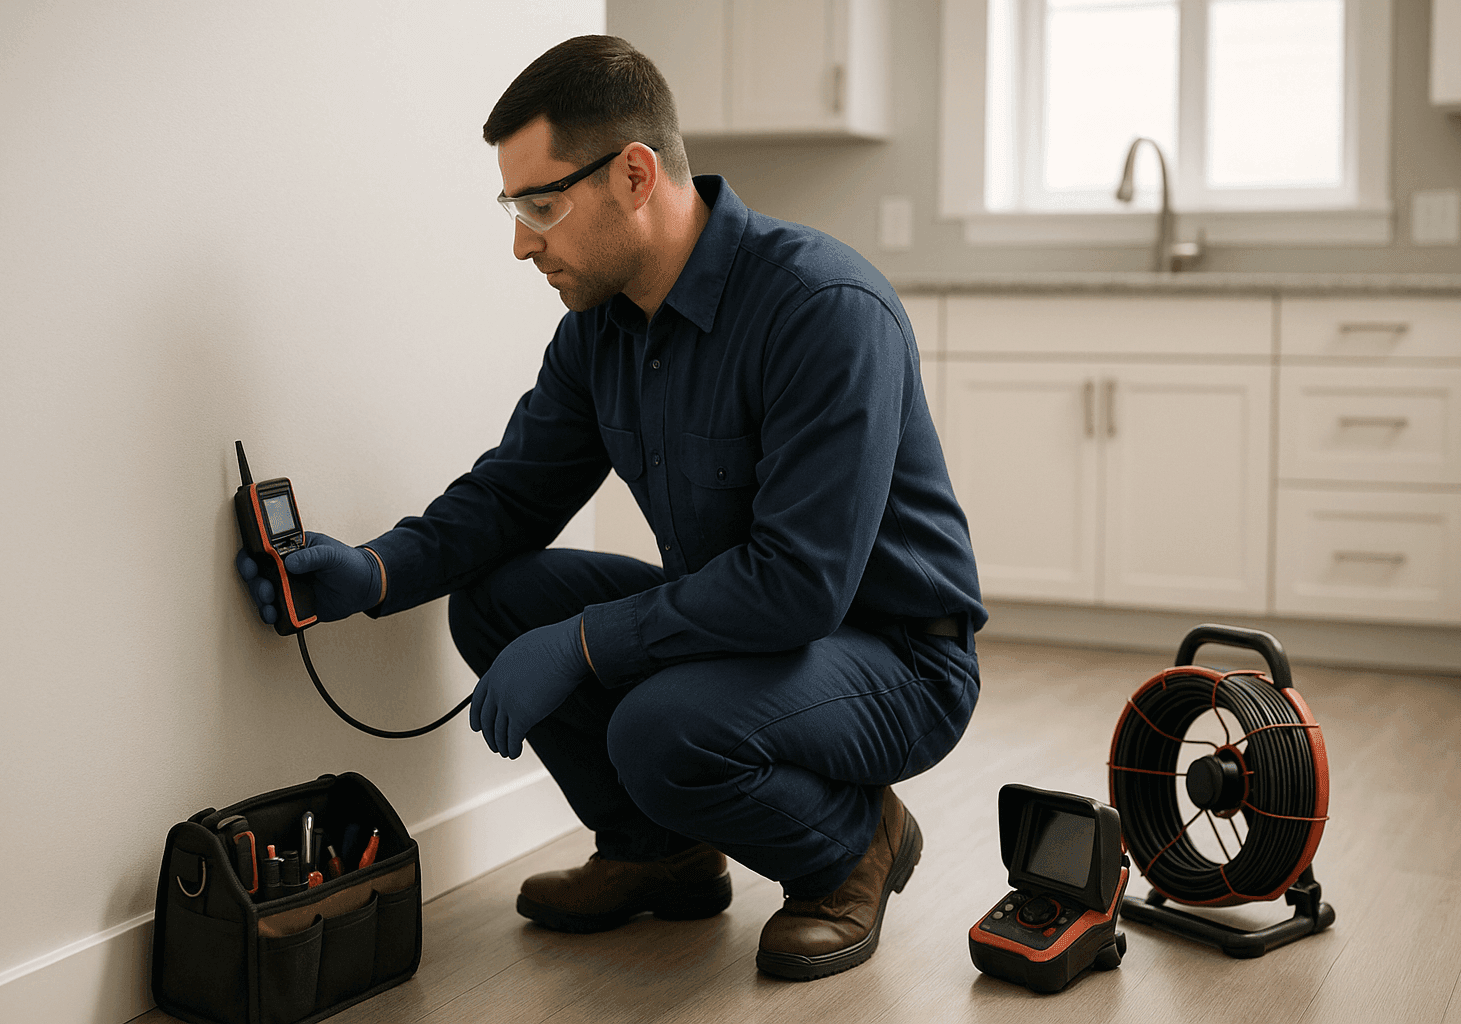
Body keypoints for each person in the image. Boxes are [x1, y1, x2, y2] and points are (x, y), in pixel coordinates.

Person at [236, 34, 986, 981]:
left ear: (635, 174)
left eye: (541, 205)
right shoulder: (599, 332)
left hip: (896, 657)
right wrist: (376, 572)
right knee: (500, 602)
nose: (521, 240)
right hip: (758, 630)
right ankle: (655, 852)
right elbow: (513, 494)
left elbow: (798, 589)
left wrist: (584, 644)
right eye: (514, 207)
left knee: (658, 724)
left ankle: (852, 845)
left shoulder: (822, 309)